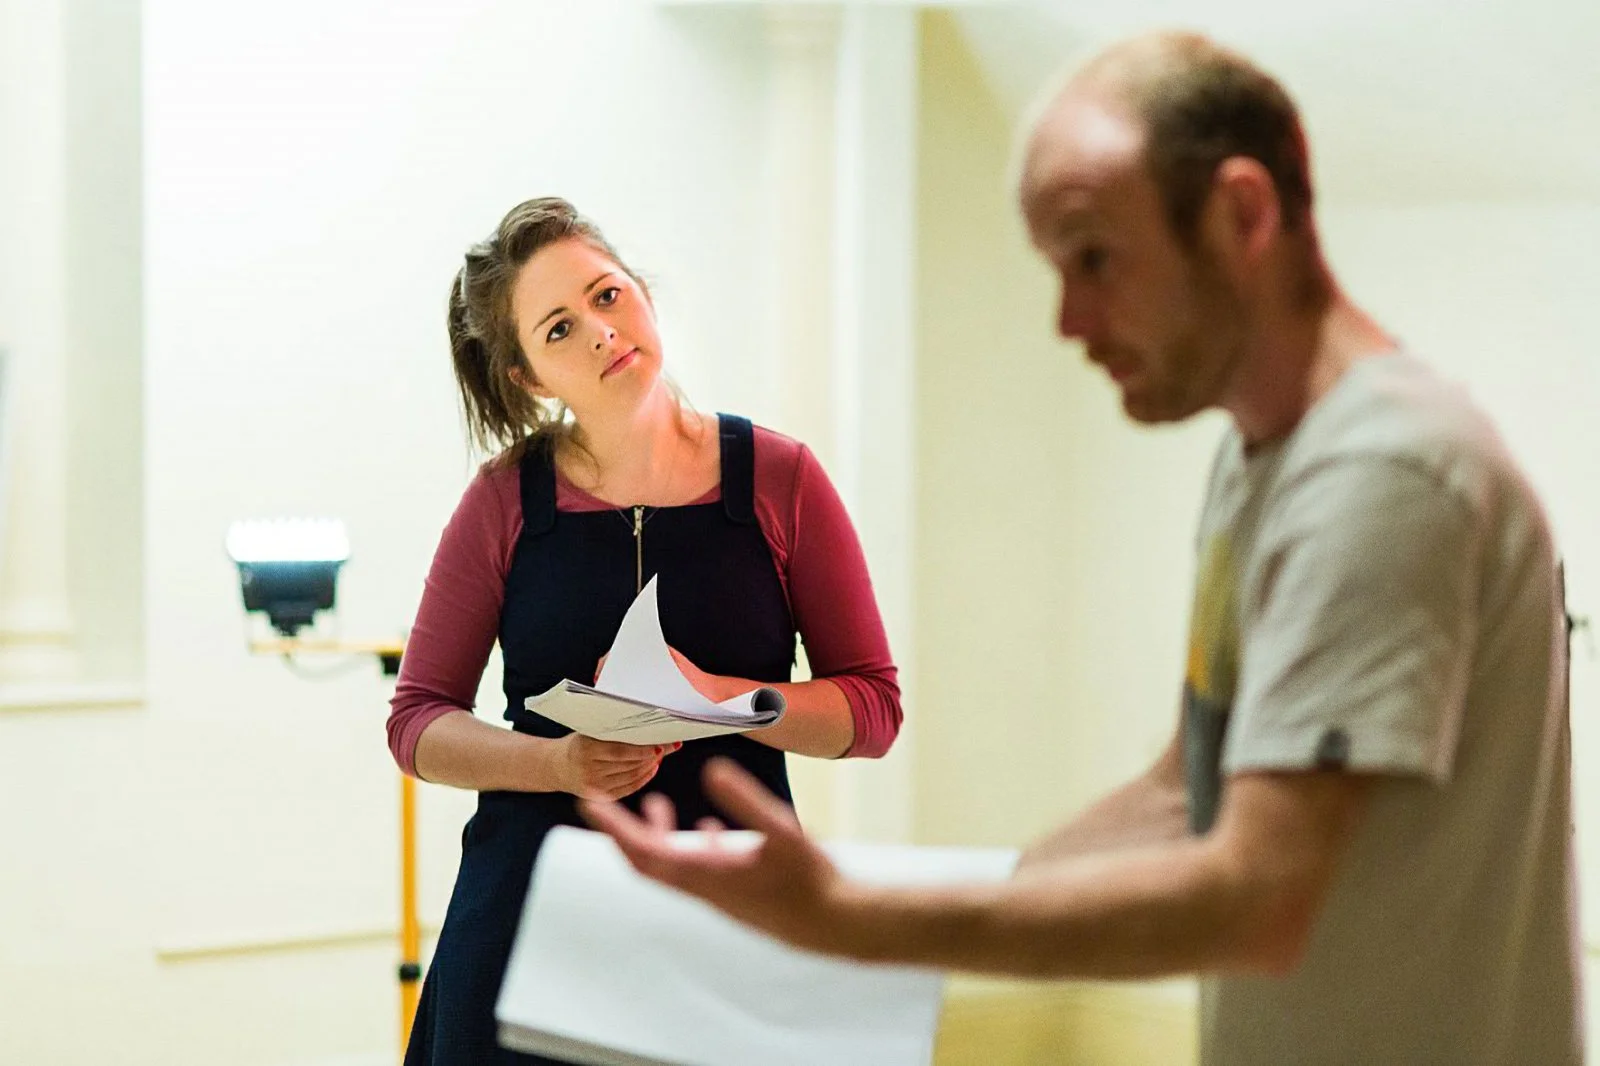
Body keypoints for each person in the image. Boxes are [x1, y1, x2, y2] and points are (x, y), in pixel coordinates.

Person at [584, 31, 1583, 1066]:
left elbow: (1257, 898)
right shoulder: (1264, 464)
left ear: (1241, 214)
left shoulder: (1382, 476)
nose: (1068, 317)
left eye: (1095, 256)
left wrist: (855, 925)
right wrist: (862, 905)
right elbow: (1182, 793)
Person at [386, 196, 903, 1066]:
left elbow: (874, 710)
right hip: (533, 907)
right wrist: (557, 763)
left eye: (606, 295)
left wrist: (726, 699)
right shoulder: (503, 501)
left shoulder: (781, 478)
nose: (597, 330)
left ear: (644, 297)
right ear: (529, 379)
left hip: (729, 907)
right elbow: (417, 721)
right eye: (557, 329)